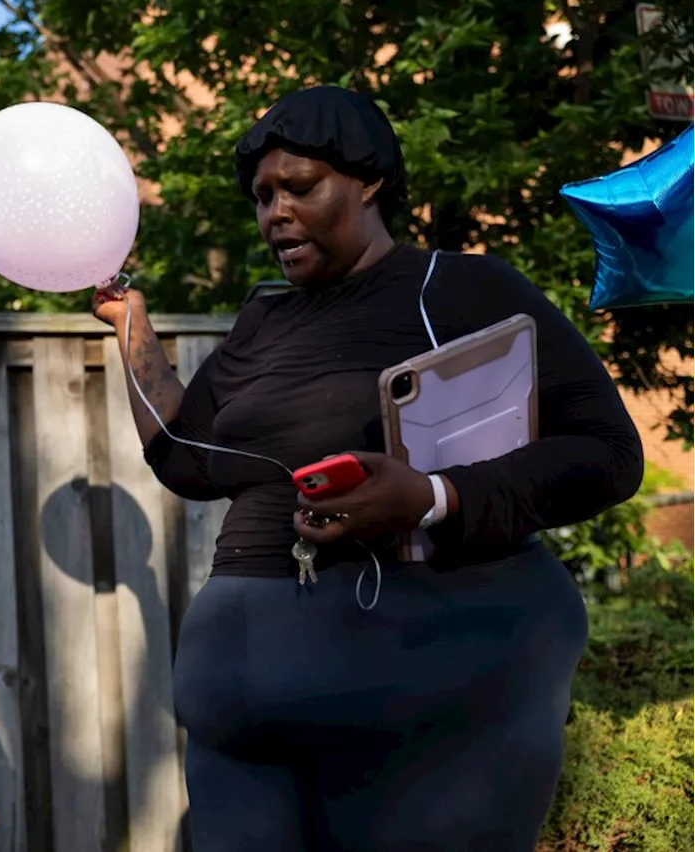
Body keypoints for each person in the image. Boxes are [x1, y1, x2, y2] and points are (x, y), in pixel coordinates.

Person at [94, 86, 644, 851]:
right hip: (241, 699)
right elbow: (185, 458)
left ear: (370, 180)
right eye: (262, 197)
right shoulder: (262, 321)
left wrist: (432, 496)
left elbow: (609, 454)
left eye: (299, 187)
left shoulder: (459, 289)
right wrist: (133, 329)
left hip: (420, 687)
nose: (274, 213)